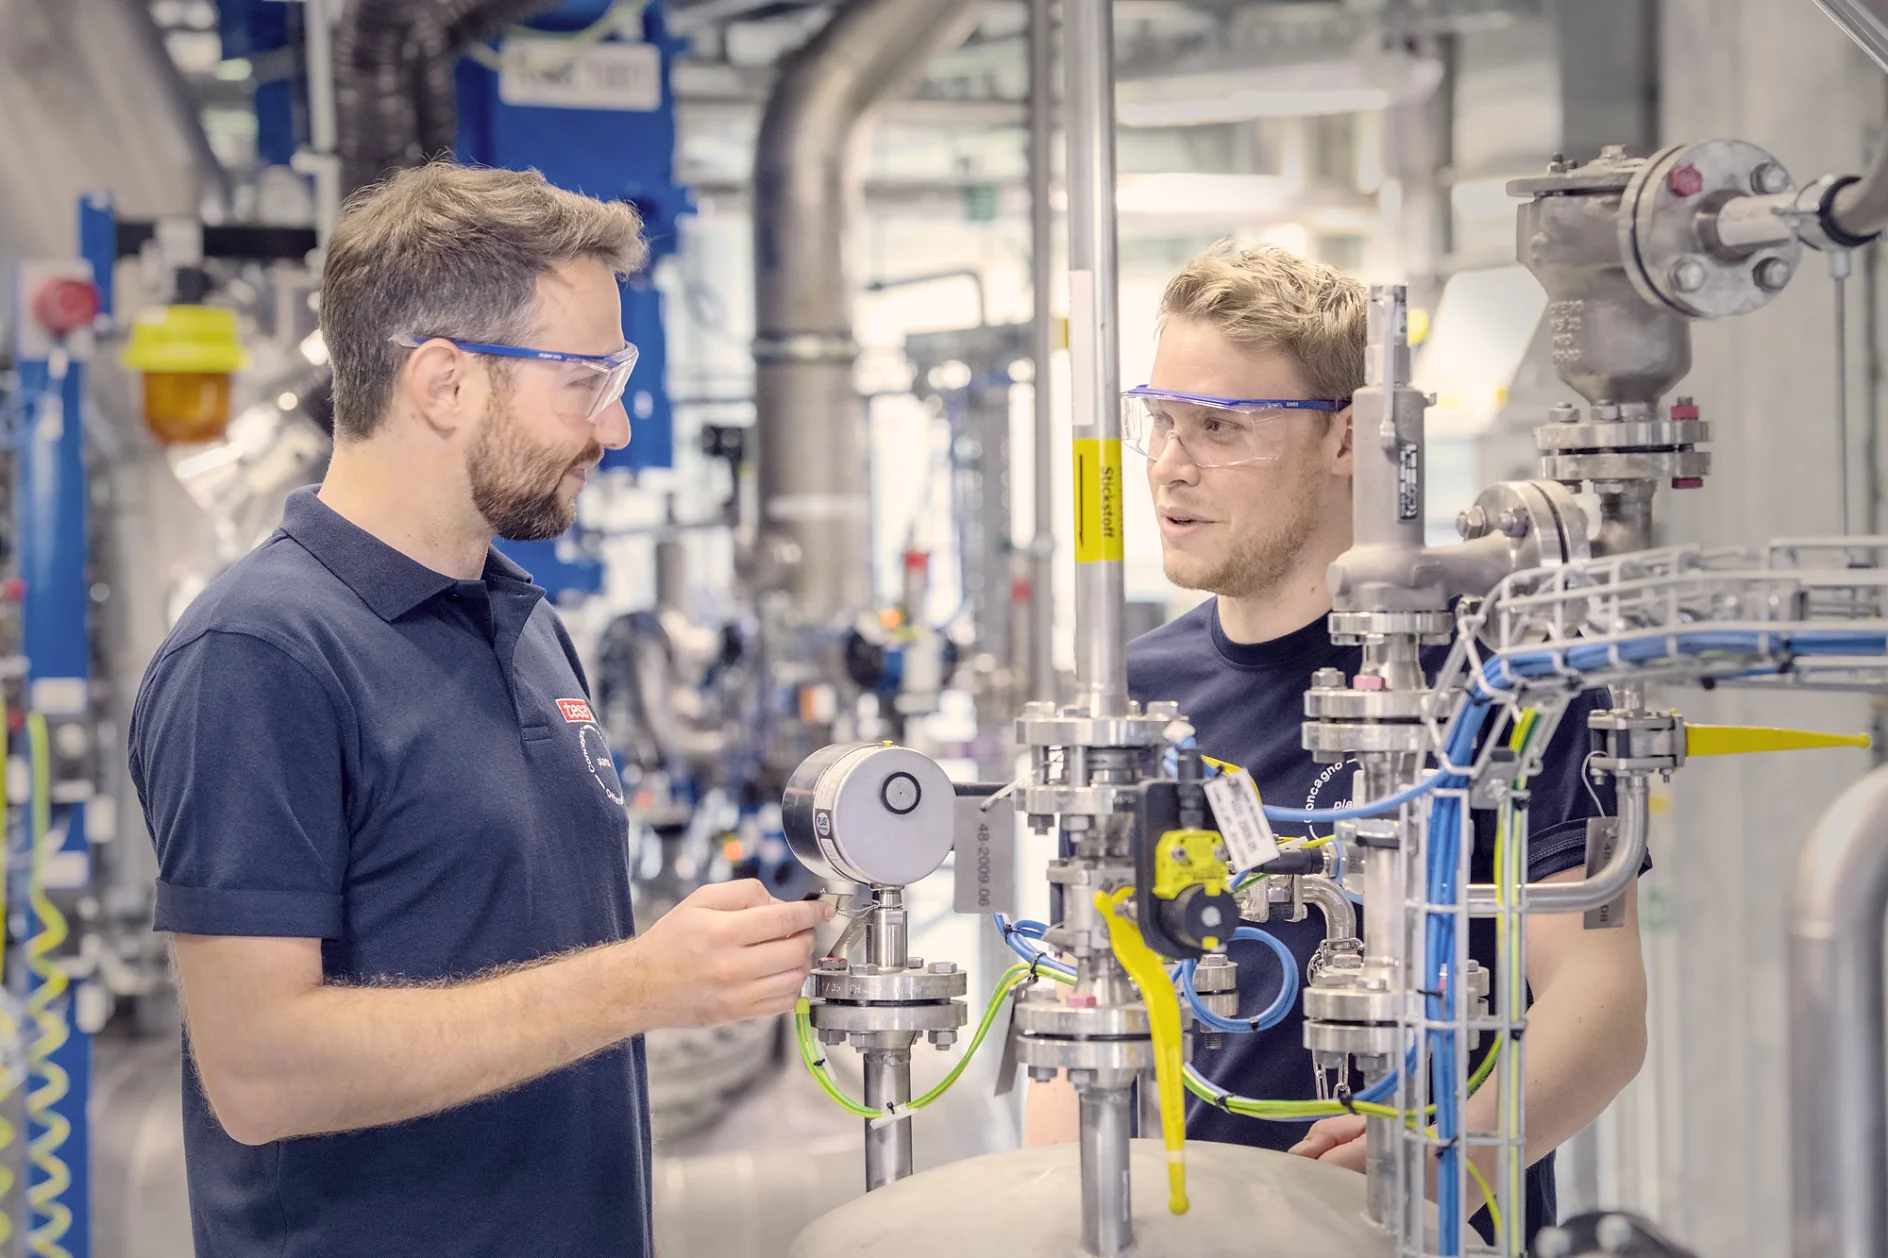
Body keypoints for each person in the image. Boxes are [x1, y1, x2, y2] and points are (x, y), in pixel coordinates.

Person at [127, 162, 833, 1258]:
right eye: (584, 380)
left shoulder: (522, 620)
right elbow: (260, 1071)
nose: (614, 428)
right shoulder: (259, 654)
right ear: (445, 383)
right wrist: (636, 983)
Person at [1026, 245, 1647, 1241]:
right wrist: (1058, 1210)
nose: (1171, 466)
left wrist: (1450, 1159)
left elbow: (1600, 997)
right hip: (1195, 1230)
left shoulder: (1495, 671)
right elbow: (1085, 982)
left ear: (1348, 436)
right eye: (1161, 423)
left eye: (1221, 426)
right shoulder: (1133, 693)